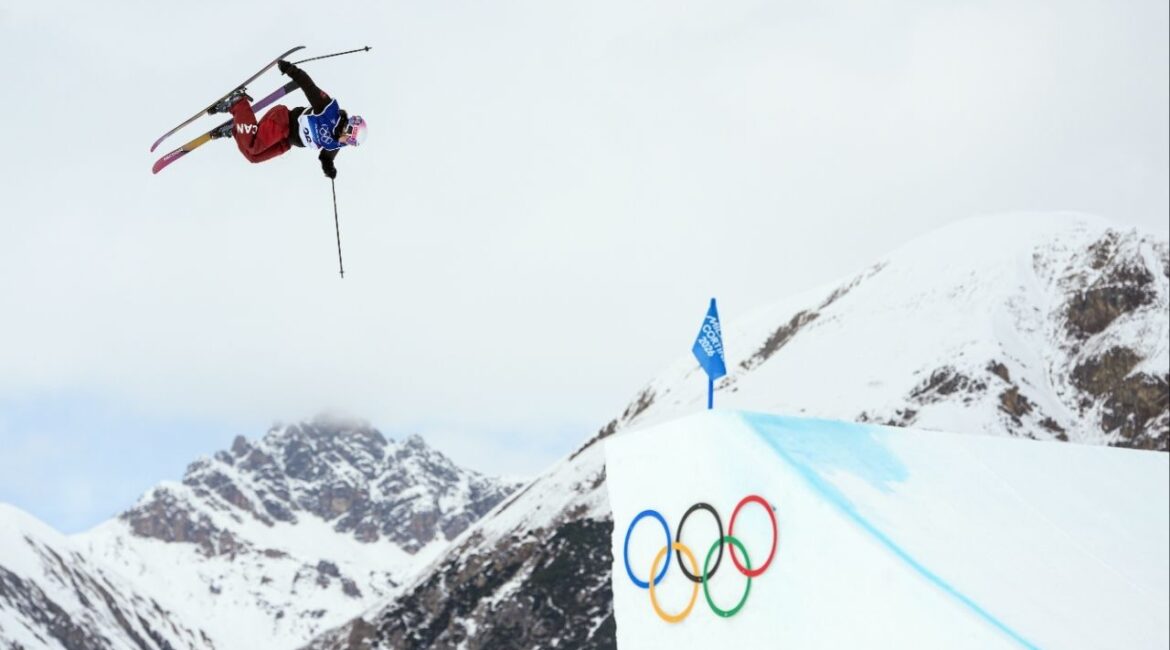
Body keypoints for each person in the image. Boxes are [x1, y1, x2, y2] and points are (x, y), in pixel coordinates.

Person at [208, 60, 367, 178]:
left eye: (349, 143)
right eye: (349, 137)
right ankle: (238, 102)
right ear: (349, 126)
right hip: (283, 121)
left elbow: (326, 157)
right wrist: (291, 69)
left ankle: (239, 127)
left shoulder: (335, 144)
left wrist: (329, 168)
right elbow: (308, 86)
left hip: (286, 142)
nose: (345, 141)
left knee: (253, 157)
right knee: (254, 146)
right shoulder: (328, 110)